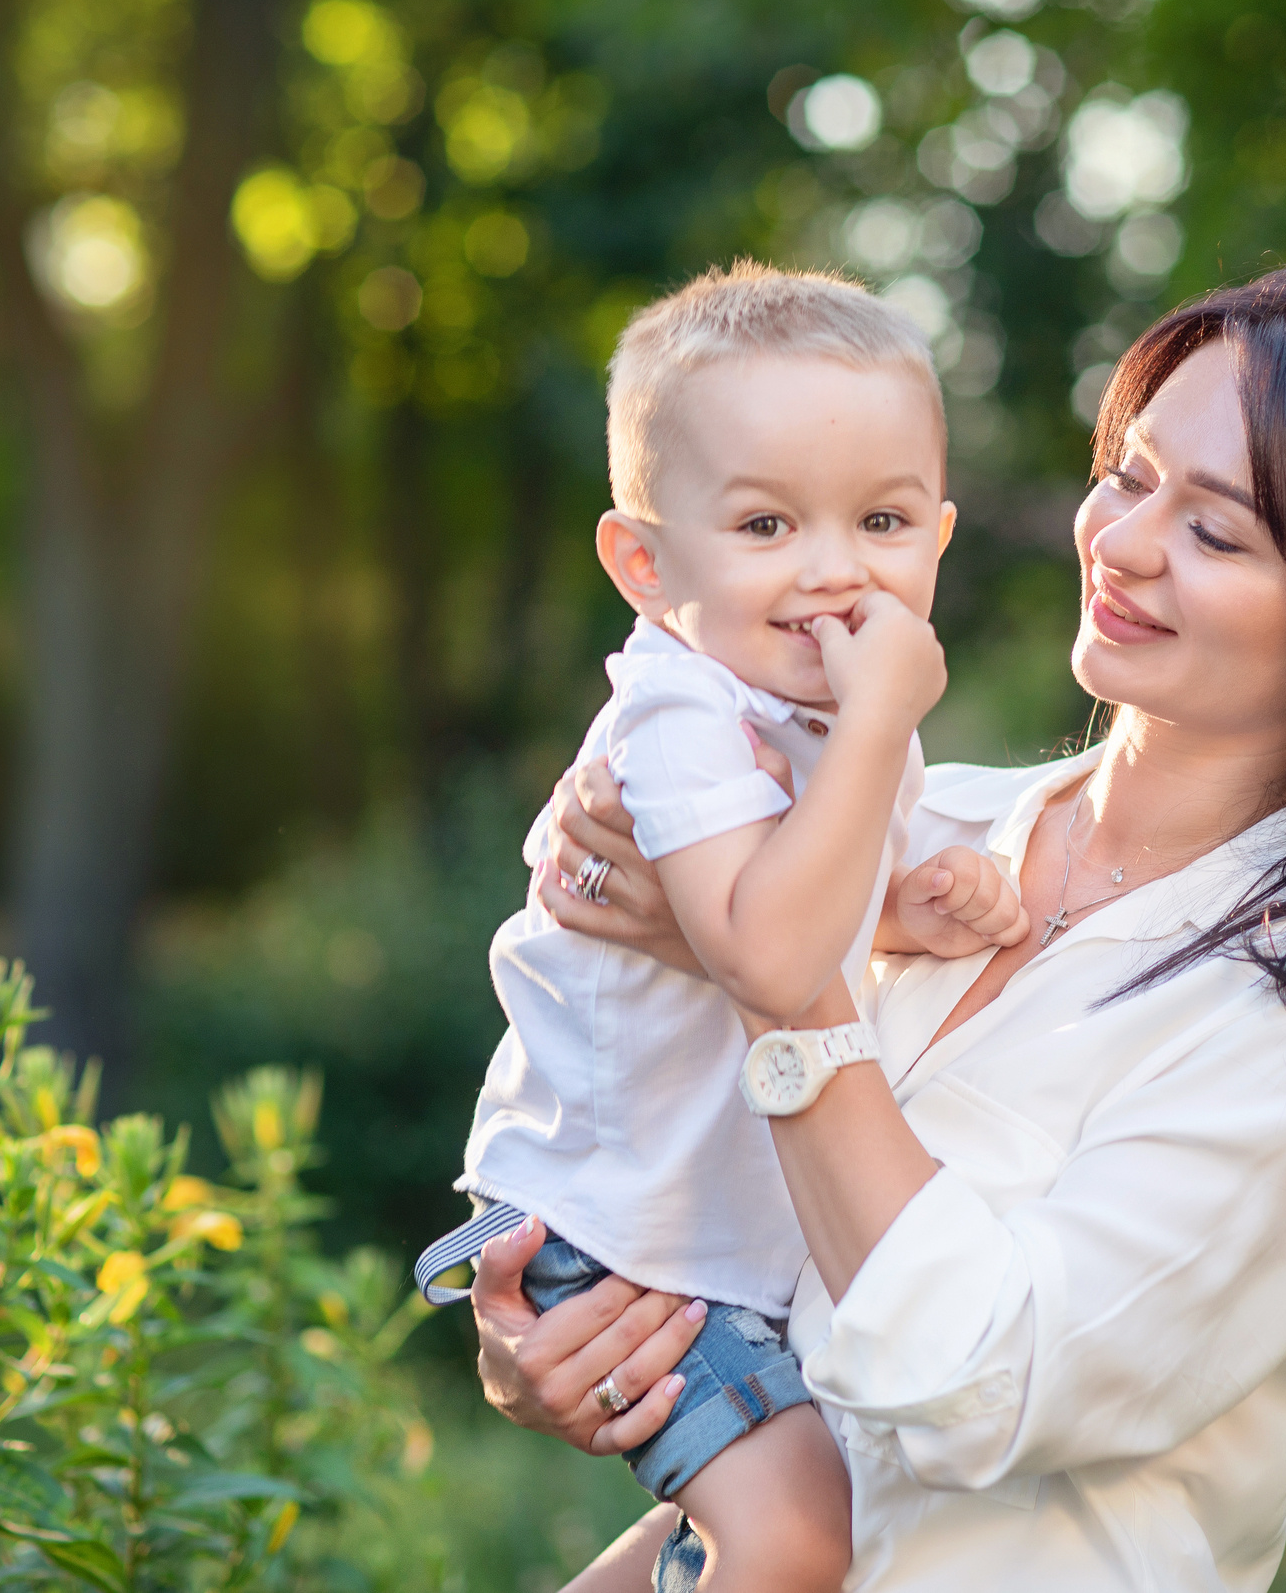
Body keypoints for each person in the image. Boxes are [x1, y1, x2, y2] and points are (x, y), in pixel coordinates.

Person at [469, 261, 1286, 1592]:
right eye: (1132, 475)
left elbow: (973, 1384)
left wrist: (762, 965)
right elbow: (802, 1415)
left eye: (1217, 533)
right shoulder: (921, 830)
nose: (1127, 544)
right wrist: (587, 1331)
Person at [414, 262, 1031, 1593]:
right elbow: (769, 953)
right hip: (610, 1227)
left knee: (795, 1525)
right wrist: (880, 726)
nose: (831, 570)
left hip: (713, 1231)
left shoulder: (828, 714)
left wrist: (923, 894)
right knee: (799, 1536)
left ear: (938, 533)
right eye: (765, 525)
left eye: (880, 518)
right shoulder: (682, 714)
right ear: (646, 562)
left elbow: (834, 894)